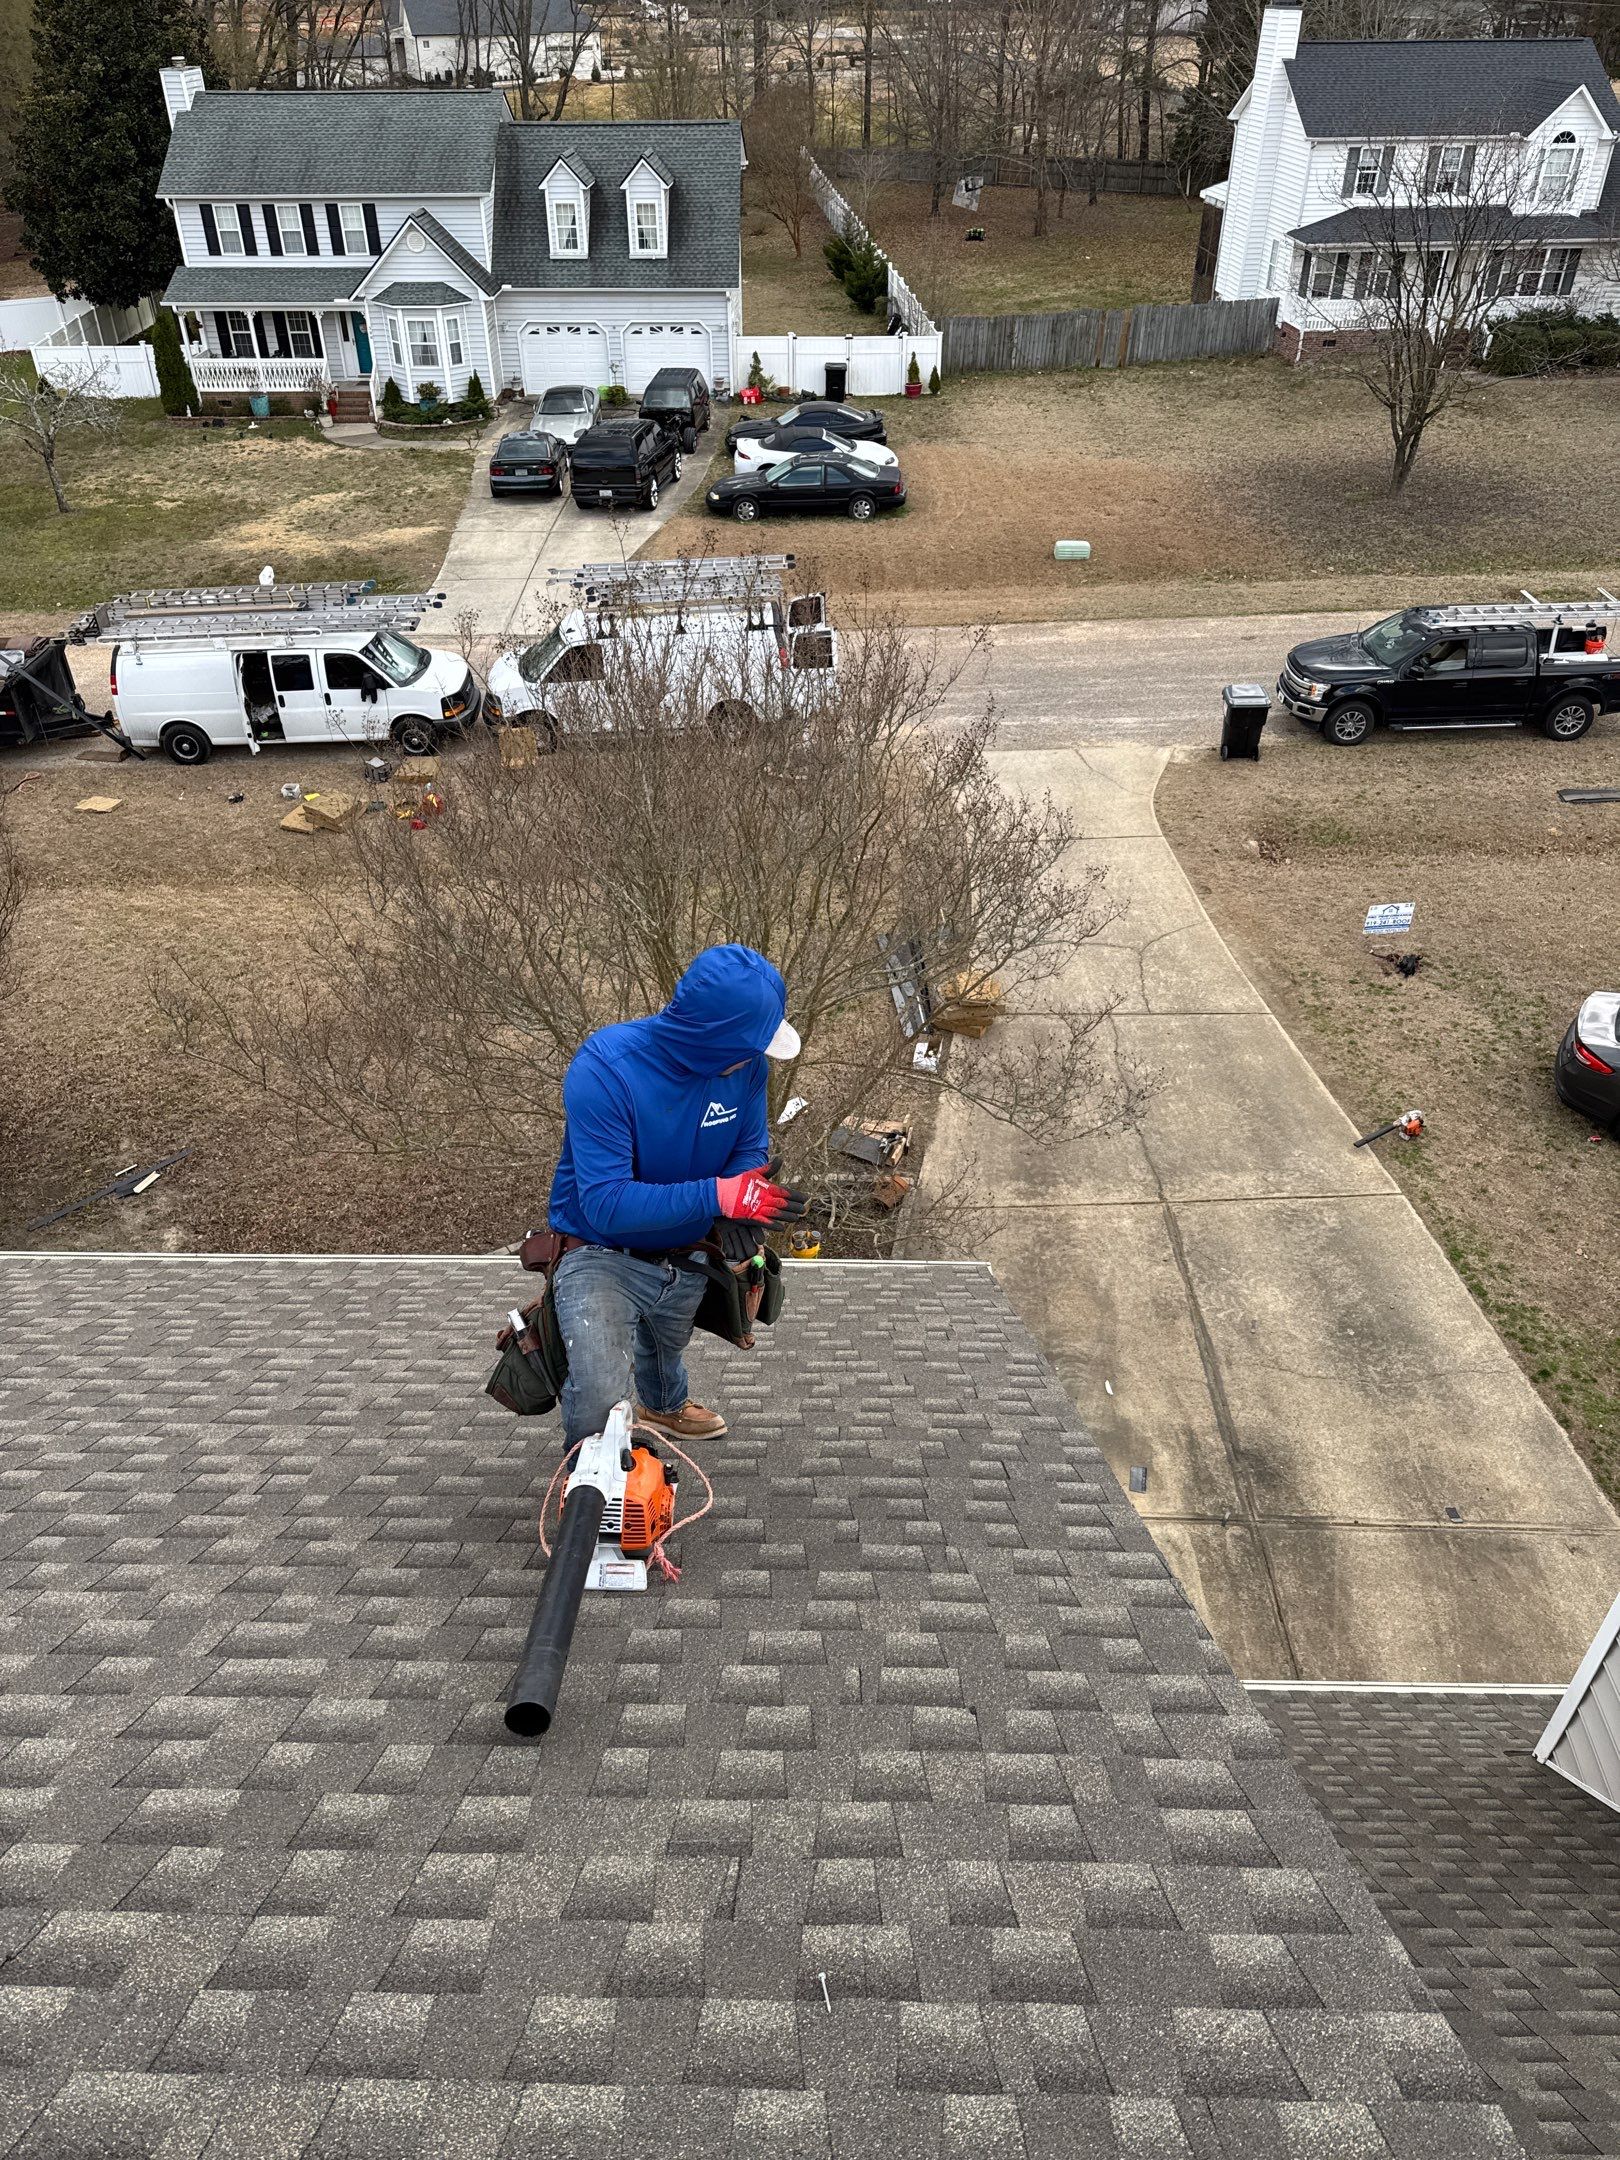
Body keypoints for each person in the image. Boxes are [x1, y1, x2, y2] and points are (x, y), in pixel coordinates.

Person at [546, 943, 806, 1449]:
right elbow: (606, 1203)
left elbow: (749, 1147)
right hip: (600, 1250)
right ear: (711, 1041)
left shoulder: (748, 1067)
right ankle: (591, 1476)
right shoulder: (606, 1068)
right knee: (599, 1398)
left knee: (667, 1339)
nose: (756, 1057)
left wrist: (742, 1199)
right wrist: (720, 1196)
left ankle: (663, 1406)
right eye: (749, 1046)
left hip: (686, 1246)